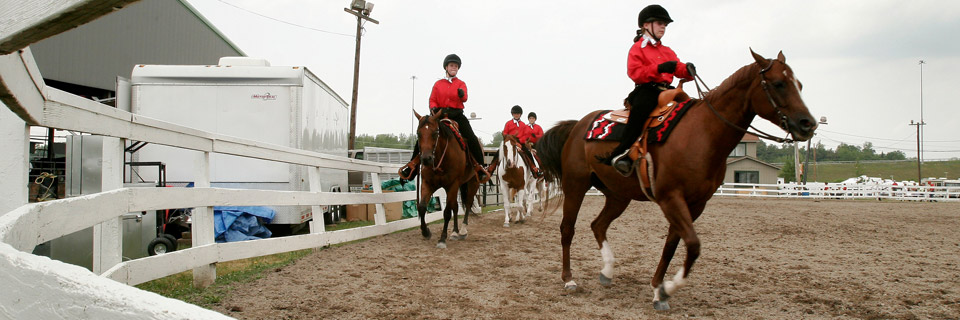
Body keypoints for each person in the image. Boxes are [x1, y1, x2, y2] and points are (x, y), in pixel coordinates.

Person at [607, 4, 696, 176]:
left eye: (665, 24)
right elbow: (635, 73)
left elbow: (677, 68)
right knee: (640, 112)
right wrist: (660, 68)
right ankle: (623, 154)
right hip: (647, 90)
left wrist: (687, 70)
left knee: (689, 108)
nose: (663, 26)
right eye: (660, 23)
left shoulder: (667, 50)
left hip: (667, 91)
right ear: (646, 25)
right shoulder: (637, 48)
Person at [399, 54, 491, 182]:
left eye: (456, 66)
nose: (454, 67)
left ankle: (480, 167)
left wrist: (462, 94)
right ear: (446, 67)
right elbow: (432, 99)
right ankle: (412, 166)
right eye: (452, 65)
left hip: (457, 114)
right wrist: (434, 108)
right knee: (424, 135)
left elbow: (465, 98)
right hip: (439, 115)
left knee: (471, 137)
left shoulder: (461, 83)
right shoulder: (438, 84)